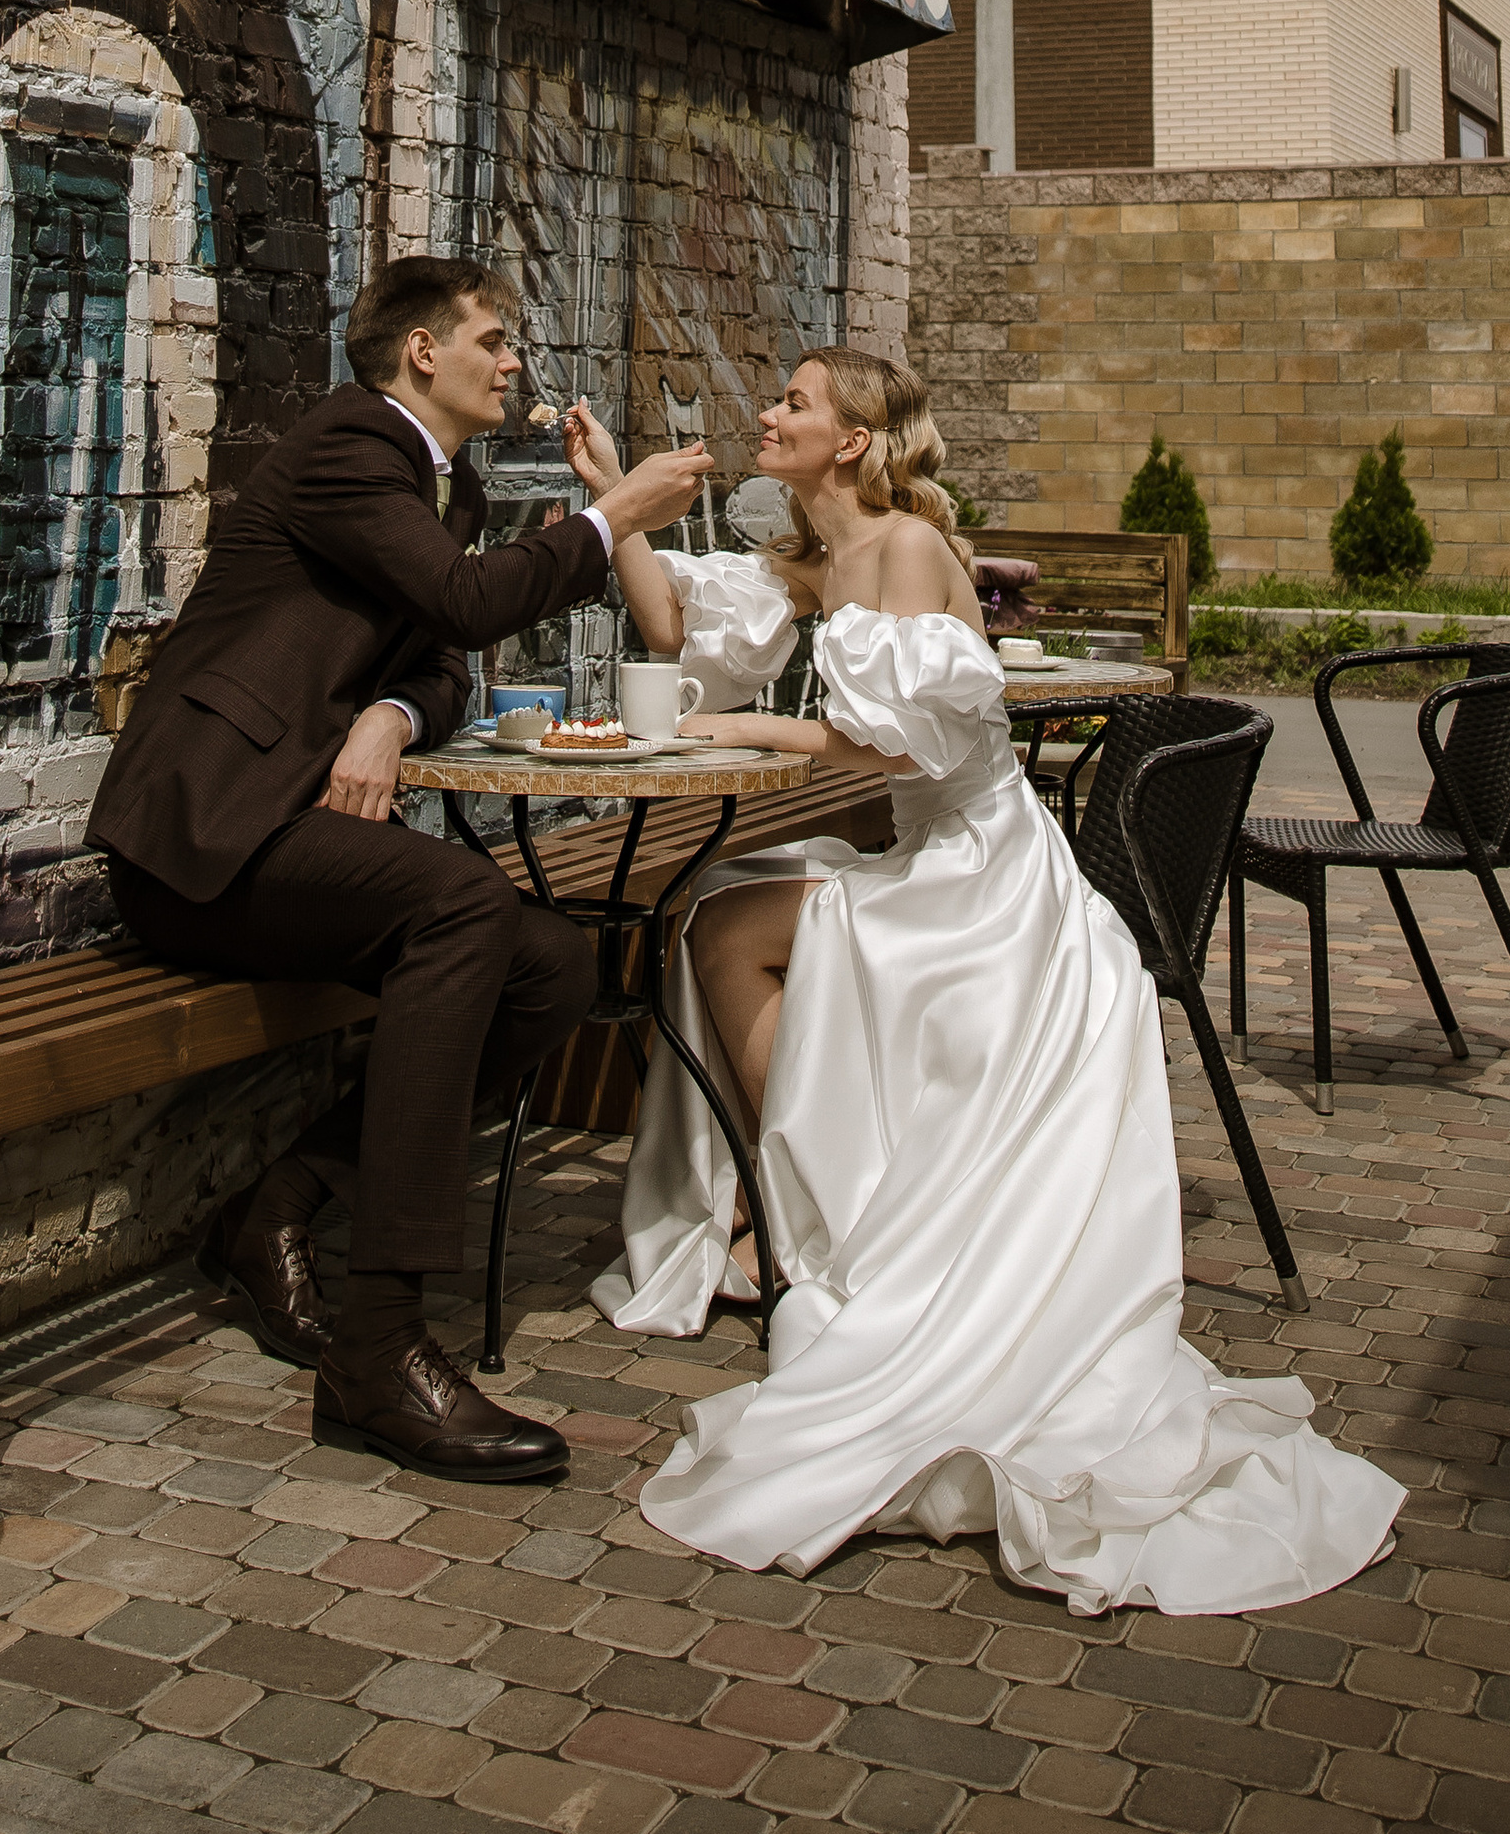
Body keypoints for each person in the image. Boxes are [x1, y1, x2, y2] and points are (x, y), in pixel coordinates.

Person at [573, 348, 1405, 1611]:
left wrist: (739, 725)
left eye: (794, 402)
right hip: (921, 857)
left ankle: (806, 1223)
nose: (771, 415)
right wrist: (613, 498)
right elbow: (675, 631)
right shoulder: (816, 551)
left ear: (853, 438)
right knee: (719, 914)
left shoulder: (907, 548)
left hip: (981, 878)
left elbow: (894, 747)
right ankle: (812, 1207)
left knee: (729, 928)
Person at [89, 256, 710, 1486]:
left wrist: (390, 712)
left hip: (289, 839)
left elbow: (439, 657)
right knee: (465, 905)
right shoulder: (350, 446)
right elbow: (462, 605)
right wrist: (611, 517)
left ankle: (277, 1203)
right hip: (203, 841)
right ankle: (378, 1350)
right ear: (424, 351)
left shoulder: (445, 486)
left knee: (550, 962)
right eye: (493, 338)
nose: (514, 360)